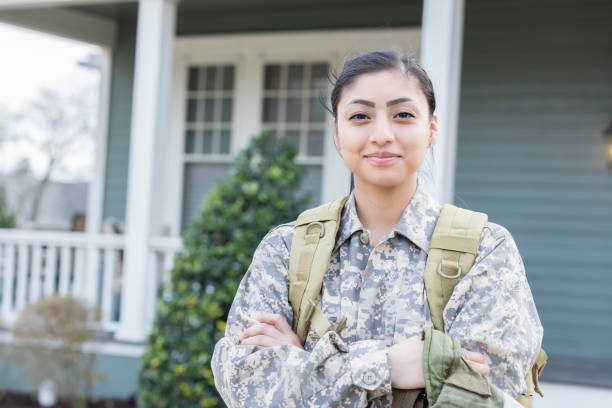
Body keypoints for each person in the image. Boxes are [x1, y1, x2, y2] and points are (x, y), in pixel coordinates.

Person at [211, 50, 543, 407]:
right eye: (360, 116)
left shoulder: (484, 250)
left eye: (403, 115)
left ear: (431, 129)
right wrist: (390, 367)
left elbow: (484, 399)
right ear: (337, 133)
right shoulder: (286, 249)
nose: (382, 134)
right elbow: (244, 385)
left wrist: (306, 365)